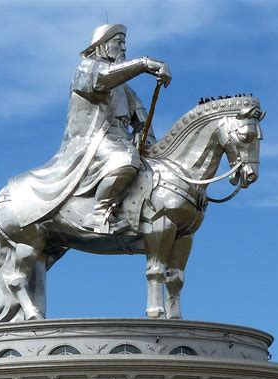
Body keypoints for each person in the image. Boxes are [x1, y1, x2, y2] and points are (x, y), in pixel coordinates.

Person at [9, 24, 172, 233]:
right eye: (118, 43)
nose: (123, 48)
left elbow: (141, 119)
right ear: (102, 46)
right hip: (93, 140)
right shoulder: (86, 69)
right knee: (125, 161)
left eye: (125, 44)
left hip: (121, 141)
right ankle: (99, 213)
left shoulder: (125, 90)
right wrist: (144, 64)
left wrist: (145, 138)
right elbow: (104, 78)